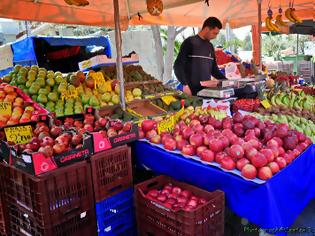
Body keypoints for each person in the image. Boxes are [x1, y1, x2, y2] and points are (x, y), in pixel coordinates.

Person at [174, 17, 227, 96]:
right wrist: (185, 85)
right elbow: (178, 66)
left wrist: (227, 81)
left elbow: (214, 70)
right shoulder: (190, 42)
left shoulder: (210, 46)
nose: (215, 37)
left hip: (206, 93)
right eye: (214, 33)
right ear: (206, 29)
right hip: (190, 93)